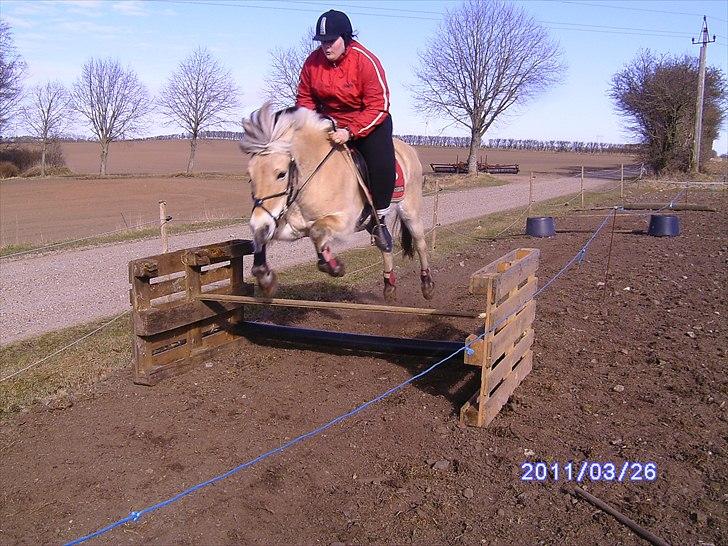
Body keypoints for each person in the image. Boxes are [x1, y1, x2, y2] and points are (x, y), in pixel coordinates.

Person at [296, 9, 395, 252]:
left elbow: (378, 105)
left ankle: (379, 219)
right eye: (321, 42)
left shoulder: (366, 61)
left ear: (346, 37)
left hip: (368, 122)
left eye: (331, 41)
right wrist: (311, 127)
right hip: (329, 123)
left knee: (381, 163)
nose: (325, 47)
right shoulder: (312, 62)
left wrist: (350, 131)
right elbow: (305, 99)